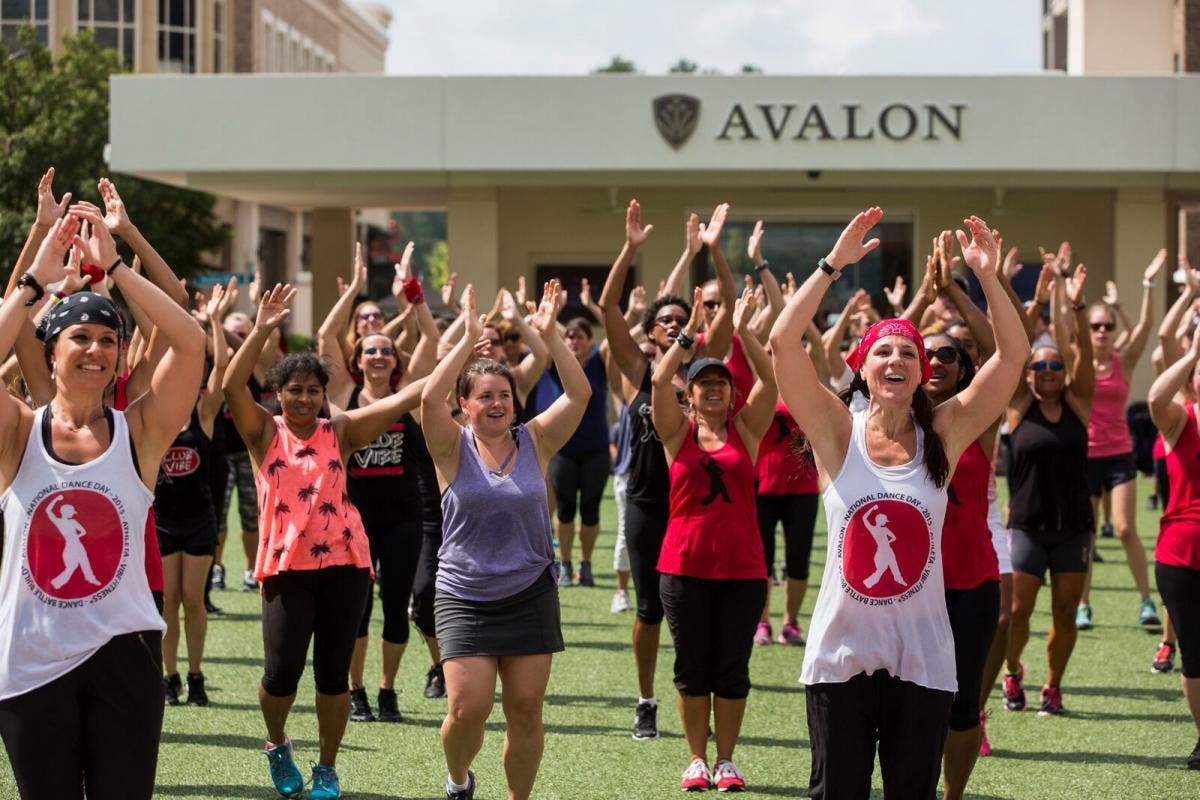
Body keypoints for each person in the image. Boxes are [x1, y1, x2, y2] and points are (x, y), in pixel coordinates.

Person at [770, 210, 1027, 799]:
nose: (896, 361)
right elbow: (783, 342)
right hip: (840, 654)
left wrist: (988, 279)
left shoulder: (945, 433)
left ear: (920, 374)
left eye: (908, 354)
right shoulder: (837, 432)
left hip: (923, 656)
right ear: (863, 370)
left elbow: (1011, 359)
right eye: (883, 352)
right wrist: (831, 266)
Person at [0, 207, 207, 799]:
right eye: (80, 337)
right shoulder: (17, 431)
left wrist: (116, 266)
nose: (96, 349)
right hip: (31, 656)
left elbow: (189, 341)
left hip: (126, 652)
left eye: (109, 339)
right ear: (50, 351)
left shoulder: (139, 431)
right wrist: (35, 282)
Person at [223, 284, 427, 800]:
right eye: (295, 390)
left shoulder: (340, 430)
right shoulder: (263, 432)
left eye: (314, 390)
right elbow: (229, 385)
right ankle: (277, 743)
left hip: (346, 565)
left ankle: (328, 768)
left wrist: (462, 350)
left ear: (323, 394)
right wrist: (262, 327)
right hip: (286, 567)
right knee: (281, 675)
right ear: (278, 393)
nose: (304, 398)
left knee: (333, 677)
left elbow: (406, 397)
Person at [420, 281, 589, 800]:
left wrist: (551, 334)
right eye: (485, 396)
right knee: (466, 709)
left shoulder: (535, 439)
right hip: (464, 594)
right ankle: (459, 779)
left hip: (529, 592)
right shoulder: (450, 447)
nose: (497, 403)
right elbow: (427, 398)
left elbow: (579, 394)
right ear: (465, 404)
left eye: (504, 395)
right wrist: (466, 337)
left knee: (526, 709)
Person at [597, 200, 733, 741]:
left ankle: (698, 694)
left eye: (682, 320)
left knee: (697, 610)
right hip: (648, 502)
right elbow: (607, 306)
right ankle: (646, 700)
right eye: (666, 321)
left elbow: (728, 311)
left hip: (697, 505)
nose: (676, 326)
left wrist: (713, 253)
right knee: (650, 609)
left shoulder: (702, 367)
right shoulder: (636, 370)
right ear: (651, 331)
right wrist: (630, 249)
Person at [652, 287, 775, 792]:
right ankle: (697, 760)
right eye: (704, 382)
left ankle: (726, 760)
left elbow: (771, 379)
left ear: (732, 391)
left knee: (732, 668)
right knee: (691, 667)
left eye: (721, 381)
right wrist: (688, 336)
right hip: (683, 568)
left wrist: (743, 331)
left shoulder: (747, 431)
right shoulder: (676, 432)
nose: (714, 388)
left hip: (743, 569)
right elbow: (657, 380)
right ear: (690, 394)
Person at [317, 247, 440, 724]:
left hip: (404, 518)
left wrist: (412, 292)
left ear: (395, 360)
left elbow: (431, 336)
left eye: (386, 350)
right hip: (354, 520)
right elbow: (326, 335)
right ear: (357, 359)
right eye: (370, 350)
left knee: (394, 609)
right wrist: (353, 289)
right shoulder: (343, 396)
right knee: (357, 610)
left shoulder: (407, 397)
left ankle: (387, 691)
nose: (379, 355)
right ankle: (357, 691)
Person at [1003, 263, 1095, 718]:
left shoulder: (1079, 402)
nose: (1048, 370)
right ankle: (1012, 670)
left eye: (1056, 365)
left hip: (1074, 527)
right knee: (1018, 613)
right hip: (1027, 525)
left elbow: (1085, 354)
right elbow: (1015, 347)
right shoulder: (1018, 406)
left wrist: (1077, 307)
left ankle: (1052, 686)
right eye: (1040, 365)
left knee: (1064, 612)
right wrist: (1036, 302)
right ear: (1028, 374)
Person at [922, 329, 1000, 800]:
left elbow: (1004, 352)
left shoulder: (980, 420)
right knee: (911, 704)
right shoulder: (891, 420)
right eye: (925, 353)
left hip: (971, 582)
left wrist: (958, 292)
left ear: (964, 366)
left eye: (947, 354)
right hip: (907, 588)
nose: (935, 361)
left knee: (963, 705)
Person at [1075, 249, 1165, 630]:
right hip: (1084, 455)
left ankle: (1146, 601)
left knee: (1126, 528)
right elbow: (1062, 327)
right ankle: (1083, 605)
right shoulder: (1076, 360)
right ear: (1087, 330)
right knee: (1087, 535)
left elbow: (1146, 326)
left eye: (1107, 326)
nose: (1101, 332)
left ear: (1113, 331)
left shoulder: (1122, 361)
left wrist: (1148, 283)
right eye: (1095, 326)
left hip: (1119, 454)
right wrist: (1064, 289)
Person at [158, 284, 232, 707]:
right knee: (168, 601)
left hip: (199, 519)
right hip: (163, 521)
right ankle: (169, 676)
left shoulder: (202, 414)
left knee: (193, 600)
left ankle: (196, 674)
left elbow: (222, 365)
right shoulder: (155, 415)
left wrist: (215, 321)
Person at [1147, 328, 1200, 769]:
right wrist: (1194, 351)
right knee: (1196, 654)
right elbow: (1154, 399)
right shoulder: (1182, 419)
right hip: (1182, 554)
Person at [531, 316, 610, 587]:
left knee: (590, 510)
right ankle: (565, 564)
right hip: (563, 450)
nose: (574, 341)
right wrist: (549, 325)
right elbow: (544, 345)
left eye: (580, 337)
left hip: (596, 449)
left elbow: (617, 337)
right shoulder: (555, 363)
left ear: (591, 341)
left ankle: (585, 564)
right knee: (564, 510)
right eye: (570, 337)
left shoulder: (600, 361)